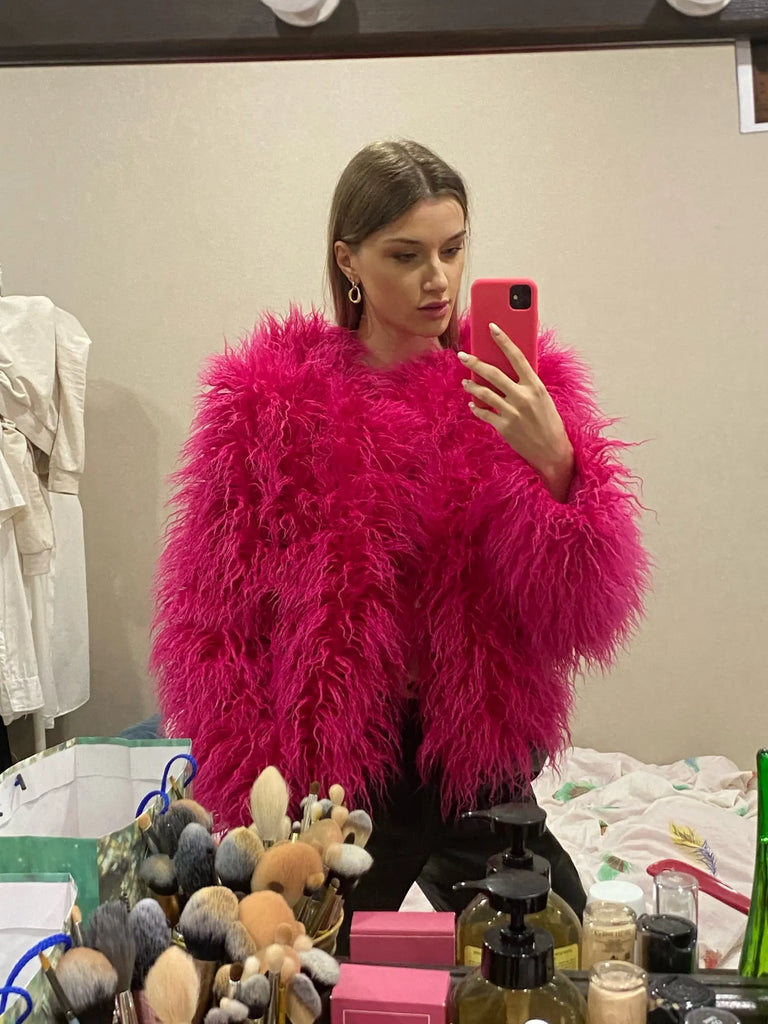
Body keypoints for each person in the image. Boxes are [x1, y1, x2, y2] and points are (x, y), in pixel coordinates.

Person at [151, 140, 649, 945]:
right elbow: (214, 626)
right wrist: (259, 799)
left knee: (566, 955)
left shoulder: (517, 395)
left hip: (475, 757)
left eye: (453, 250)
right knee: (292, 966)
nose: (438, 280)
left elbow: (581, 618)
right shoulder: (270, 409)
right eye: (406, 255)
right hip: (334, 775)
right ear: (348, 260)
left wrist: (557, 464)